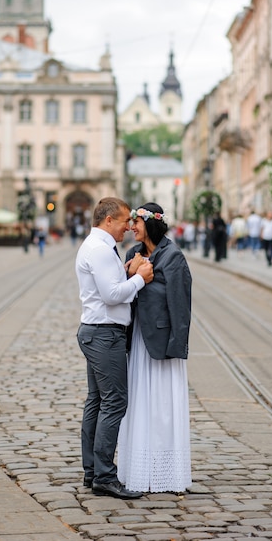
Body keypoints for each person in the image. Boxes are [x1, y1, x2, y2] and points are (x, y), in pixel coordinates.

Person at [75, 197, 154, 500]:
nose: (128, 228)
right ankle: (105, 476)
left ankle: (92, 470)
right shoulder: (100, 248)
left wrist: (123, 269)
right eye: (124, 222)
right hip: (105, 334)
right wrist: (138, 278)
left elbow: (103, 284)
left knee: (96, 401)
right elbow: (110, 295)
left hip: (95, 332)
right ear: (109, 220)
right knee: (115, 402)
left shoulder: (96, 247)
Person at [118, 202, 192, 494]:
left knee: (162, 406)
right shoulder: (131, 254)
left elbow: (180, 304)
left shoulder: (173, 256)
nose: (131, 227)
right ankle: (138, 467)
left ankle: (165, 472)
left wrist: (177, 345)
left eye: (136, 222)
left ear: (150, 225)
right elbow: (125, 295)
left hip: (162, 342)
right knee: (139, 402)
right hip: (137, 338)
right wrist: (132, 276)